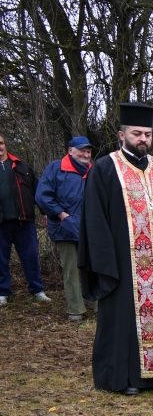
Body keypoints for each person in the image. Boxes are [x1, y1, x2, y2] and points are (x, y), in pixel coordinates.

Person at [78, 102, 153, 395]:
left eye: (147, 134)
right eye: (136, 133)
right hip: (124, 264)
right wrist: (105, 263)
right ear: (122, 135)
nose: (143, 139)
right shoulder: (106, 168)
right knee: (125, 320)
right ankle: (126, 377)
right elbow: (94, 219)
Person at [36, 136, 92, 320]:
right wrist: (61, 214)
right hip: (64, 228)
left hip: (90, 229)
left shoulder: (94, 170)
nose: (85, 154)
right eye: (82, 150)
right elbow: (42, 196)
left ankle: (100, 306)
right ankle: (75, 310)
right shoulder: (56, 168)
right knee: (71, 270)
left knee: (96, 267)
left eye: (88, 151)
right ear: (70, 150)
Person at [0, 132, 48, 306]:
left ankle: (37, 290)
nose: (0, 147)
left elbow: (38, 190)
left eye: (1, 143)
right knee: (0, 260)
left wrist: (44, 211)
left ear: (5, 145)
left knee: (31, 257)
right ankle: (2, 292)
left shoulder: (22, 166)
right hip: (1, 224)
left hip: (24, 221)